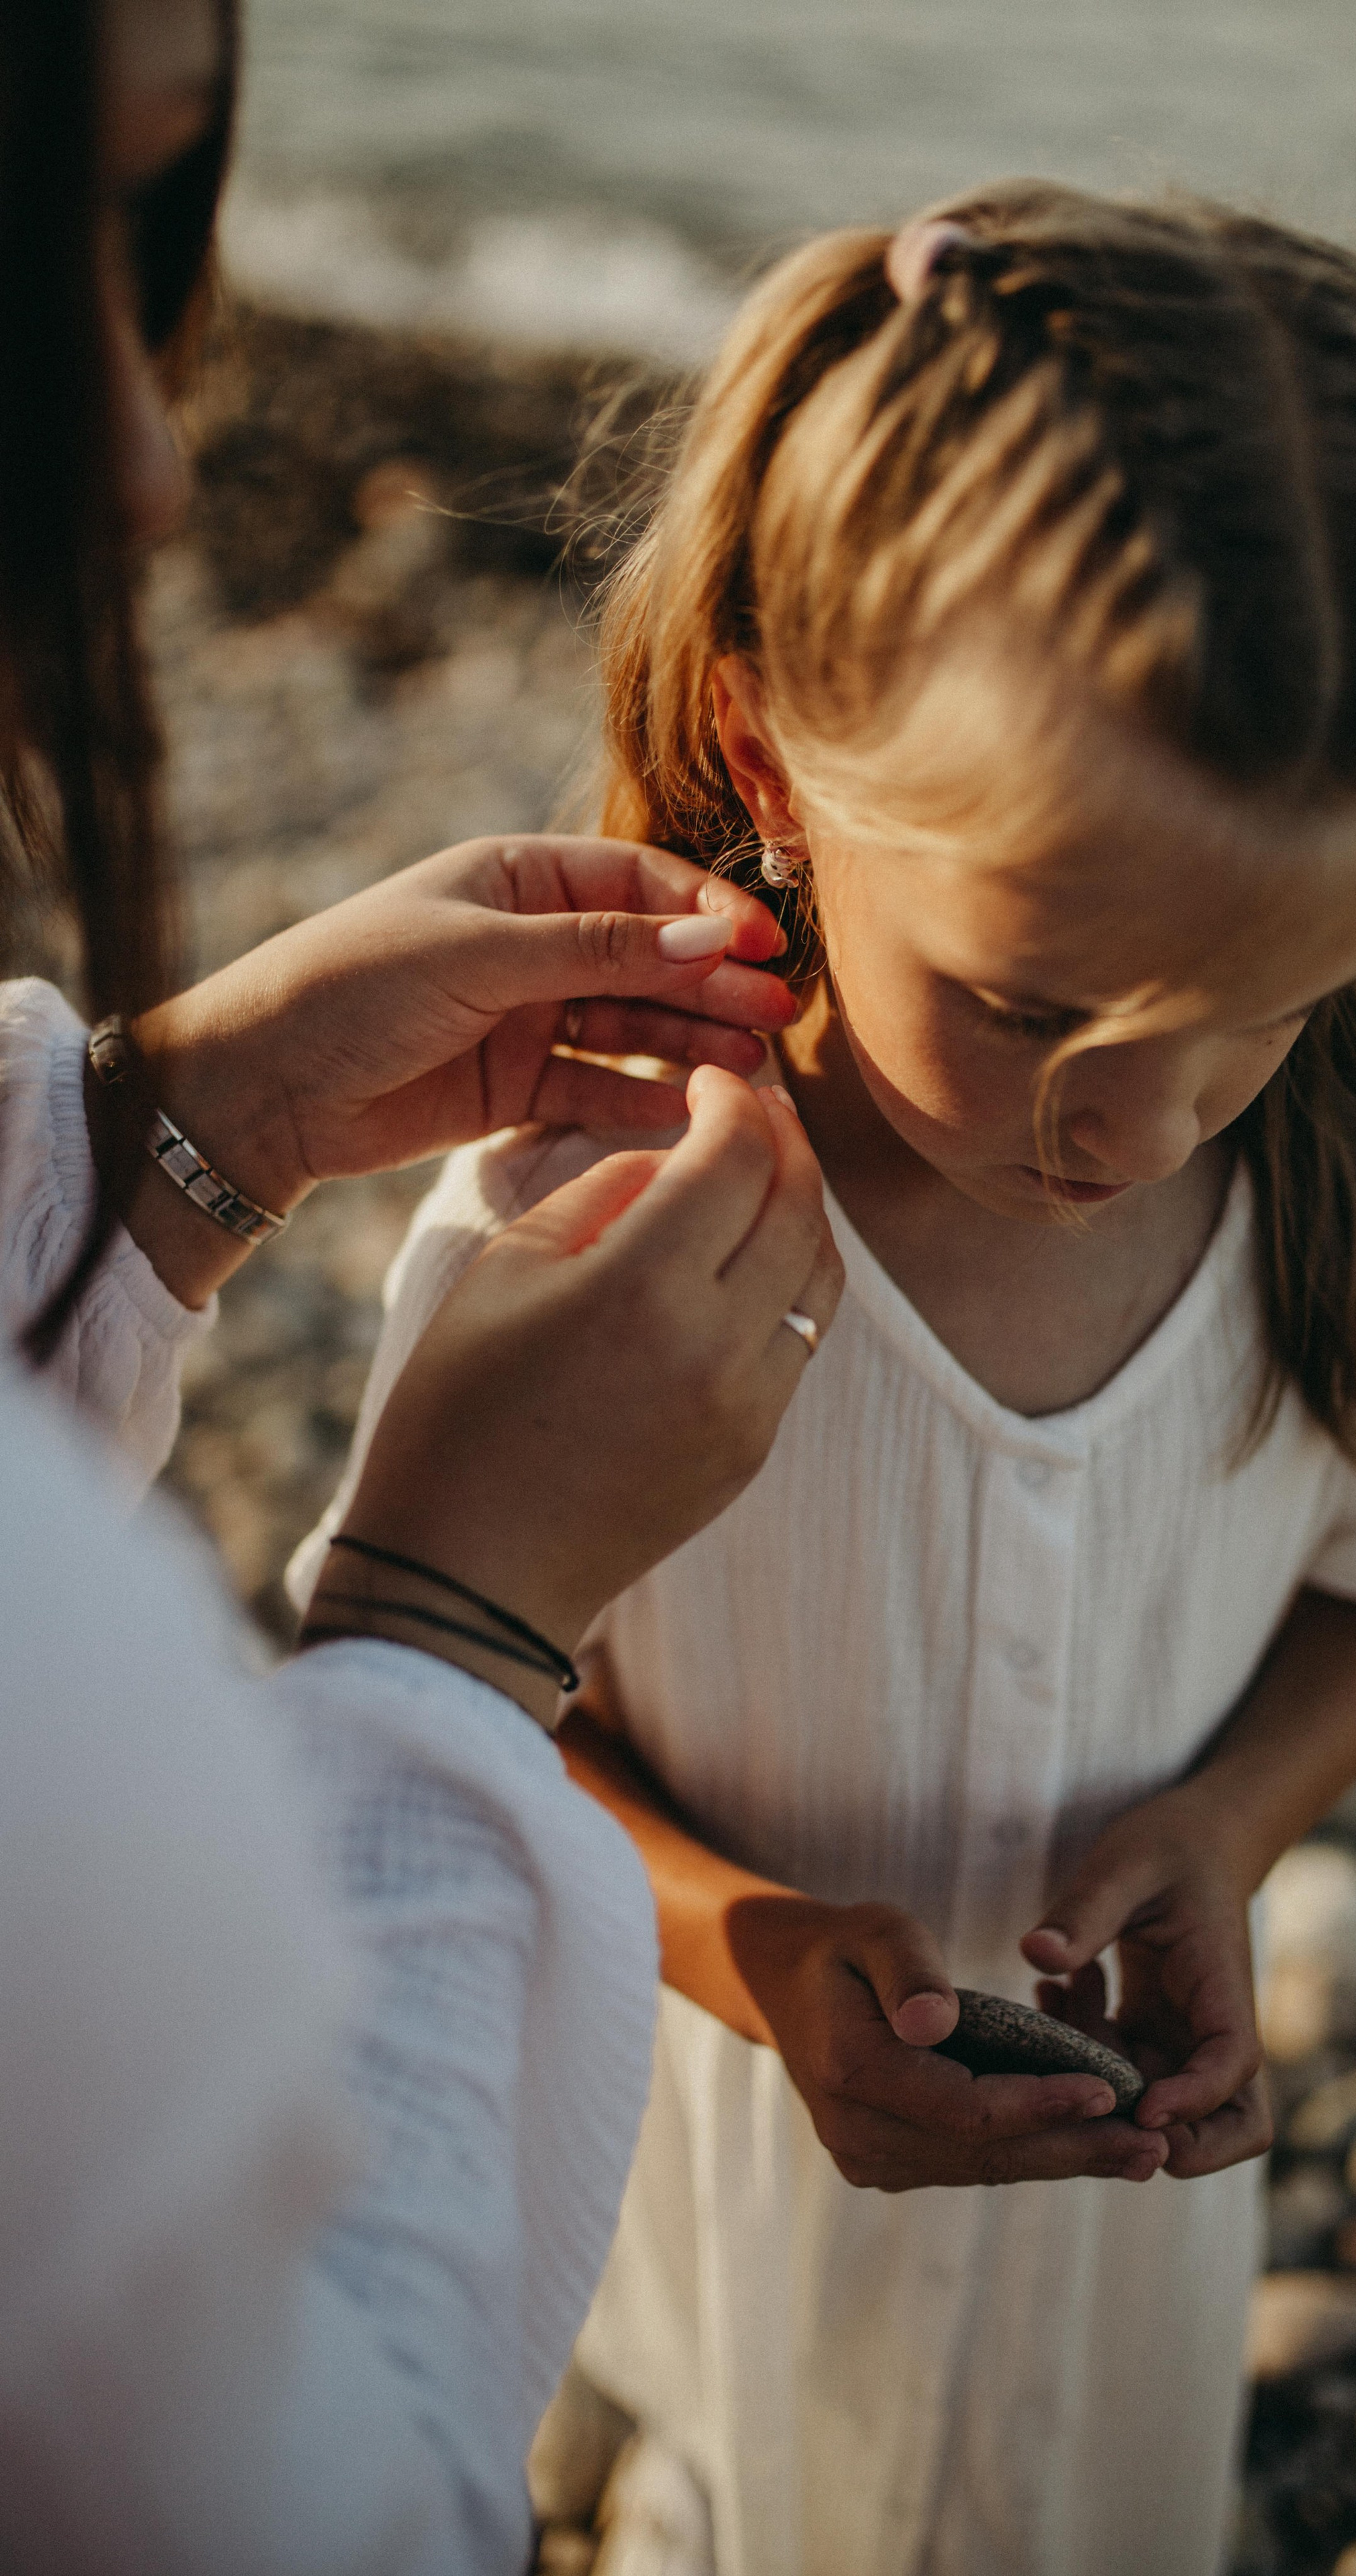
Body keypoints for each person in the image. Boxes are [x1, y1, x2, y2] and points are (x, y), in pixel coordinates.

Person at [299, 187, 1356, 2576]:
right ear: (768, 749)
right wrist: (753, 1947)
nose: (1145, 1125)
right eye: (1034, 1007)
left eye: (1271, 1002)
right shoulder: (594, 1228)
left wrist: (1234, 1821)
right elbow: (441, 1709)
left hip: (1116, 2233)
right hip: (722, 2131)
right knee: (726, 2478)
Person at [0, 3, 841, 2570]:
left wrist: (181, 1121)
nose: (147, 462)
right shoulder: (65, 1696)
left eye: (132, 231)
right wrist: (447, 1624)